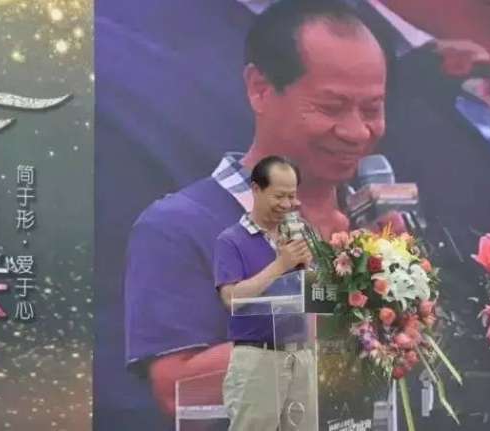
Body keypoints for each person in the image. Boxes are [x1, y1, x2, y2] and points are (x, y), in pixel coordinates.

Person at [123, 0, 390, 427]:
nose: (357, 131)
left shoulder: (378, 226)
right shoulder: (180, 225)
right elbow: (177, 389)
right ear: (260, 89)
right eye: (331, 107)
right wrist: (326, 317)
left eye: (372, 109)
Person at [214, 156, 314, 430]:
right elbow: (231, 298)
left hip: (301, 356)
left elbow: (316, 294)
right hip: (258, 358)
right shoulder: (231, 240)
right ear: (256, 189)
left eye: (292, 196)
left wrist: (308, 269)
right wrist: (281, 264)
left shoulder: (301, 235)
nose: (287, 204)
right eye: (279, 196)